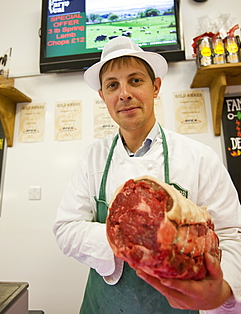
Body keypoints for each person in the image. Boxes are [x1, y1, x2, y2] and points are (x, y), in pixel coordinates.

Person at [53, 36, 241, 314]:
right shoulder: (92, 157)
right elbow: (65, 228)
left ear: (156, 87)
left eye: (136, 80)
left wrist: (223, 291)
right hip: (103, 306)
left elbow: (231, 233)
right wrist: (134, 237)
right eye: (113, 85)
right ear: (103, 96)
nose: (124, 93)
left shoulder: (199, 157)